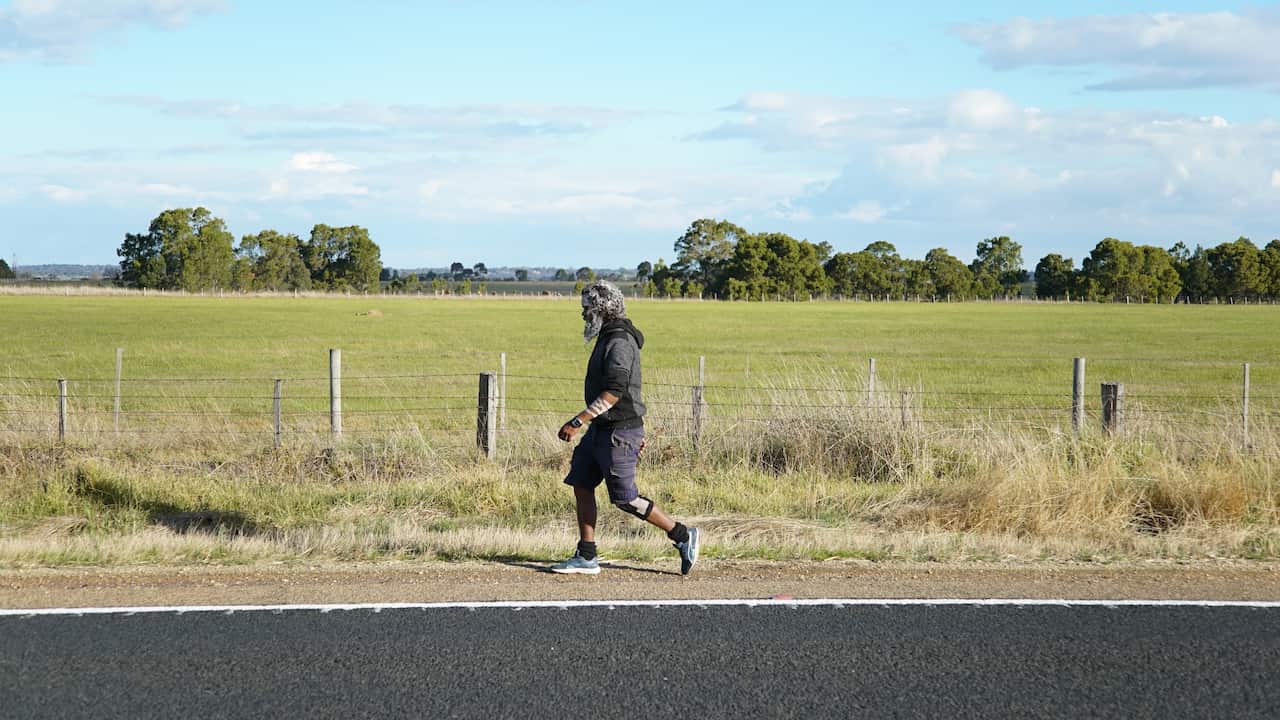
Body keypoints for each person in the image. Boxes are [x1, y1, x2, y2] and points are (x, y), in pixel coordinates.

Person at [551, 280, 700, 575]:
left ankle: (682, 536)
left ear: (603, 309)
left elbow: (614, 391)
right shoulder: (607, 336)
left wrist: (578, 421)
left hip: (619, 431)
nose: (584, 314)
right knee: (581, 482)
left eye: (587, 309)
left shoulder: (619, 342)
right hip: (601, 430)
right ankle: (587, 555)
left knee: (625, 499)